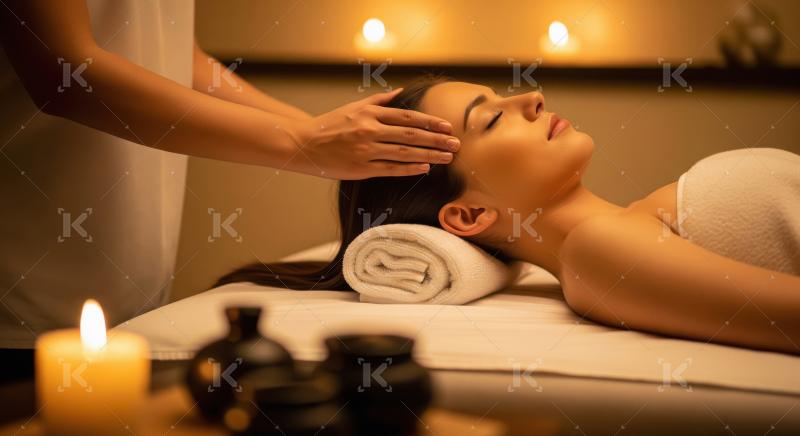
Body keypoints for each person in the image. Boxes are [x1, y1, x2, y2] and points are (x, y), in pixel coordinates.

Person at [217, 76, 800, 355]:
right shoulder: (597, 254)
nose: (532, 98)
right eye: (491, 120)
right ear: (468, 215)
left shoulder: (625, 227)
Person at [0, 1, 460, 348]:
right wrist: (306, 142)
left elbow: (185, 59)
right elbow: (61, 70)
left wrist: (317, 135)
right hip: (30, 260)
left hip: (125, 266)